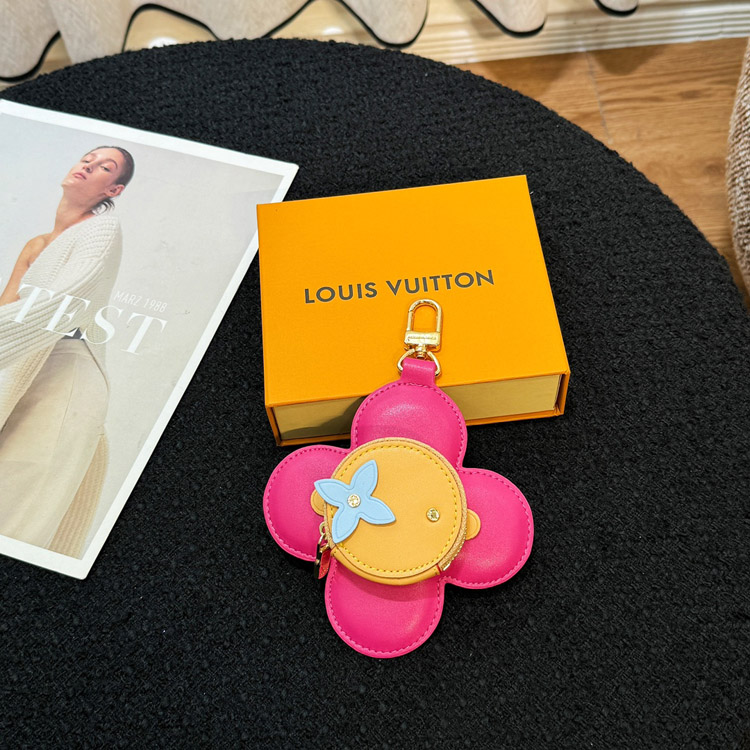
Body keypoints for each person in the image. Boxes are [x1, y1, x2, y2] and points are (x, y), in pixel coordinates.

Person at [0, 146, 134, 557]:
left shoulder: (102, 229)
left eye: (105, 166)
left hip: (67, 374)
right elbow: (7, 309)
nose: (89, 165)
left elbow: (64, 301)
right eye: (87, 158)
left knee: (20, 503)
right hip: (24, 368)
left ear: (113, 189)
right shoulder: (37, 244)